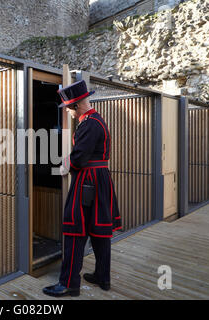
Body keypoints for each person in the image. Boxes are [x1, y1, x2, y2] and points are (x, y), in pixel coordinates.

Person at [43, 80, 122, 297]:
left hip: (88, 180)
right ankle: (102, 277)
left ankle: (69, 283)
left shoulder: (88, 124)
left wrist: (64, 164)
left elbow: (79, 159)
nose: (67, 112)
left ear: (76, 106)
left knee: (74, 230)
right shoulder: (97, 120)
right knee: (99, 231)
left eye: (68, 108)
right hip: (99, 180)